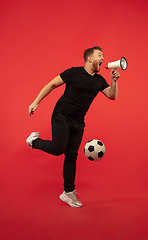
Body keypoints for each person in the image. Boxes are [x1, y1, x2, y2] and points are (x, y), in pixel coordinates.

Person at [26, 46, 120, 208]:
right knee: (58, 149)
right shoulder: (74, 72)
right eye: (99, 55)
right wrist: (36, 102)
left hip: (78, 121)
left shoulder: (99, 81)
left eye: (103, 55)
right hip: (61, 115)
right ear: (89, 58)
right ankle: (34, 141)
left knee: (71, 155)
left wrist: (114, 81)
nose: (103, 58)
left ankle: (68, 193)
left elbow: (112, 96)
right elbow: (52, 85)